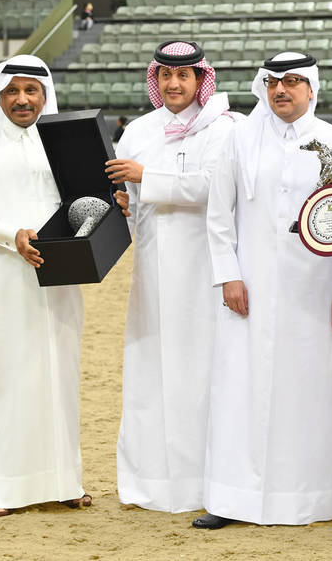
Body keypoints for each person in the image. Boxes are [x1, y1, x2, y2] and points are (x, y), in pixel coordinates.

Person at [196, 52, 332, 530]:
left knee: (310, 390)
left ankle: (310, 498)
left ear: (312, 89)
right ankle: (231, 499)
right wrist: (228, 275)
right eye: (273, 83)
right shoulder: (237, 140)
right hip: (250, 288)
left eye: (292, 82)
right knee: (239, 388)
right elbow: (218, 214)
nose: (281, 90)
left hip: (315, 289)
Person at [0, 55, 98, 517]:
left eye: (31, 91)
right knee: (1, 379)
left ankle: (63, 481)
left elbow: (82, 203)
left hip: (56, 281)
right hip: (1, 281)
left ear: (44, 96)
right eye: (12, 91)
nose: (22, 99)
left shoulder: (62, 146)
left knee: (57, 376)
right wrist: (10, 235)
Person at [107, 41, 239, 513]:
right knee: (150, 370)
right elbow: (129, 204)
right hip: (151, 273)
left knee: (200, 371)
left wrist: (147, 177)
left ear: (200, 79)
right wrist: (124, 205)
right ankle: (150, 483)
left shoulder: (224, 129)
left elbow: (214, 188)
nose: (174, 84)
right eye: (165, 76)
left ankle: (207, 487)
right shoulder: (138, 131)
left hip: (205, 272)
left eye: (184, 76)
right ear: (155, 80)